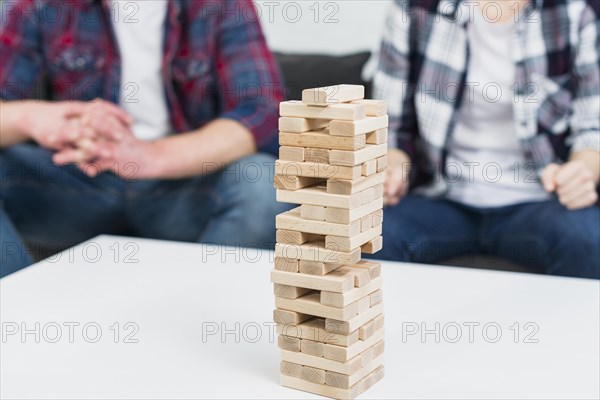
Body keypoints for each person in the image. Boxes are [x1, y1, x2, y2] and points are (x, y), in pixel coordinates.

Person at [0, 0, 288, 277]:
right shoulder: (42, 6)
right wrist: (29, 117)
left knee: (264, 184)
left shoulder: (222, 5)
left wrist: (155, 156)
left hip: (184, 187)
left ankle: (195, 313)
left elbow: (263, 112)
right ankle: (18, 313)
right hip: (76, 184)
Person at [374, 0, 600, 278]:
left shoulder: (580, 11)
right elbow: (391, 127)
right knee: (370, 234)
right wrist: (394, 166)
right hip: (439, 198)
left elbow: (592, 129)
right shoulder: (412, 9)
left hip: (540, 201)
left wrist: (582, 172)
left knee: (589, 240)